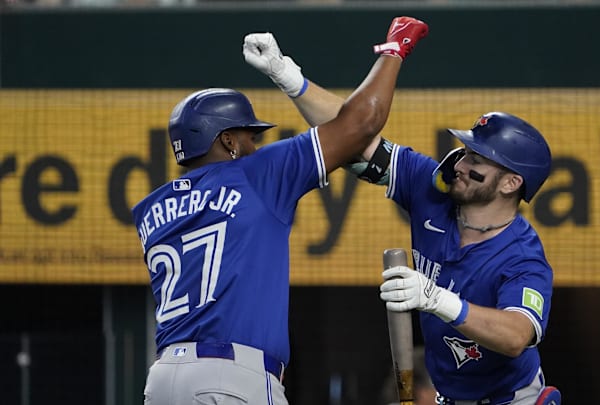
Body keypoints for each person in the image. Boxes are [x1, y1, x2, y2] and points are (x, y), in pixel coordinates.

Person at [245, 33, 562, 405]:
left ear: (511, 182)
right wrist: (287, 75)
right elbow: (353, 134)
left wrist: (438, 300)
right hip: (448, 397)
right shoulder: (431, 190)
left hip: (513, 399)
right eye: (465, 152)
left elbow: (516, 337)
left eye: (477, 160)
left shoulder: (522, 256)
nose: (460, 164)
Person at [131, 17, 428, 405]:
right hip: (229, 377)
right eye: (248, 136)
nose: (255, 145)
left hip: (163, 380)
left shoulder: (150, 208)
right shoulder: (255, 173)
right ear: (227, 141)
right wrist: (393, 52)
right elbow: (362, 122)